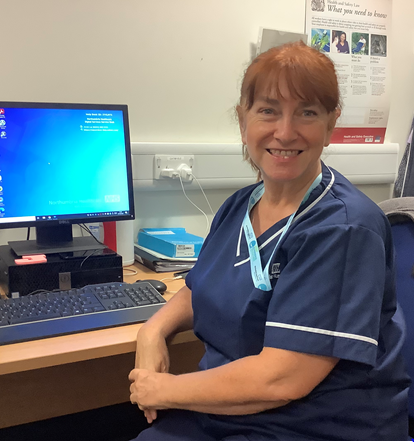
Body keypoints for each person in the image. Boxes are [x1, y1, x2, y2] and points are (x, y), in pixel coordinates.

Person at [129, 41, 410, 440]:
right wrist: (153, 330)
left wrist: (164, 389)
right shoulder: (240, 205)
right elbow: (201, 288)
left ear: (331, 124)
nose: (285, 131)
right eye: (268, 111)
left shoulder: (344, 228)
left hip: (313, 424)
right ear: (244, 121)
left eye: (307, 113)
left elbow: (283, 380)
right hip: (226, 409)